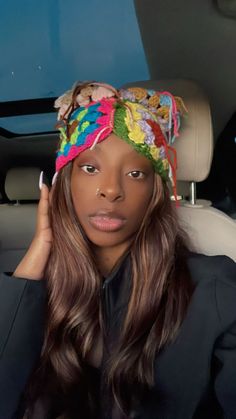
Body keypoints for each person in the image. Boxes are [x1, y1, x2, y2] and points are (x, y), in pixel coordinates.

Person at [0, 81, 236, 419]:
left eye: (136, 172)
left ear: (155, 192)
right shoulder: (32, 294)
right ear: (65, 183)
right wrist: (32, 267)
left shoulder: (215, 287)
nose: (111, 189)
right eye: (90, 168)